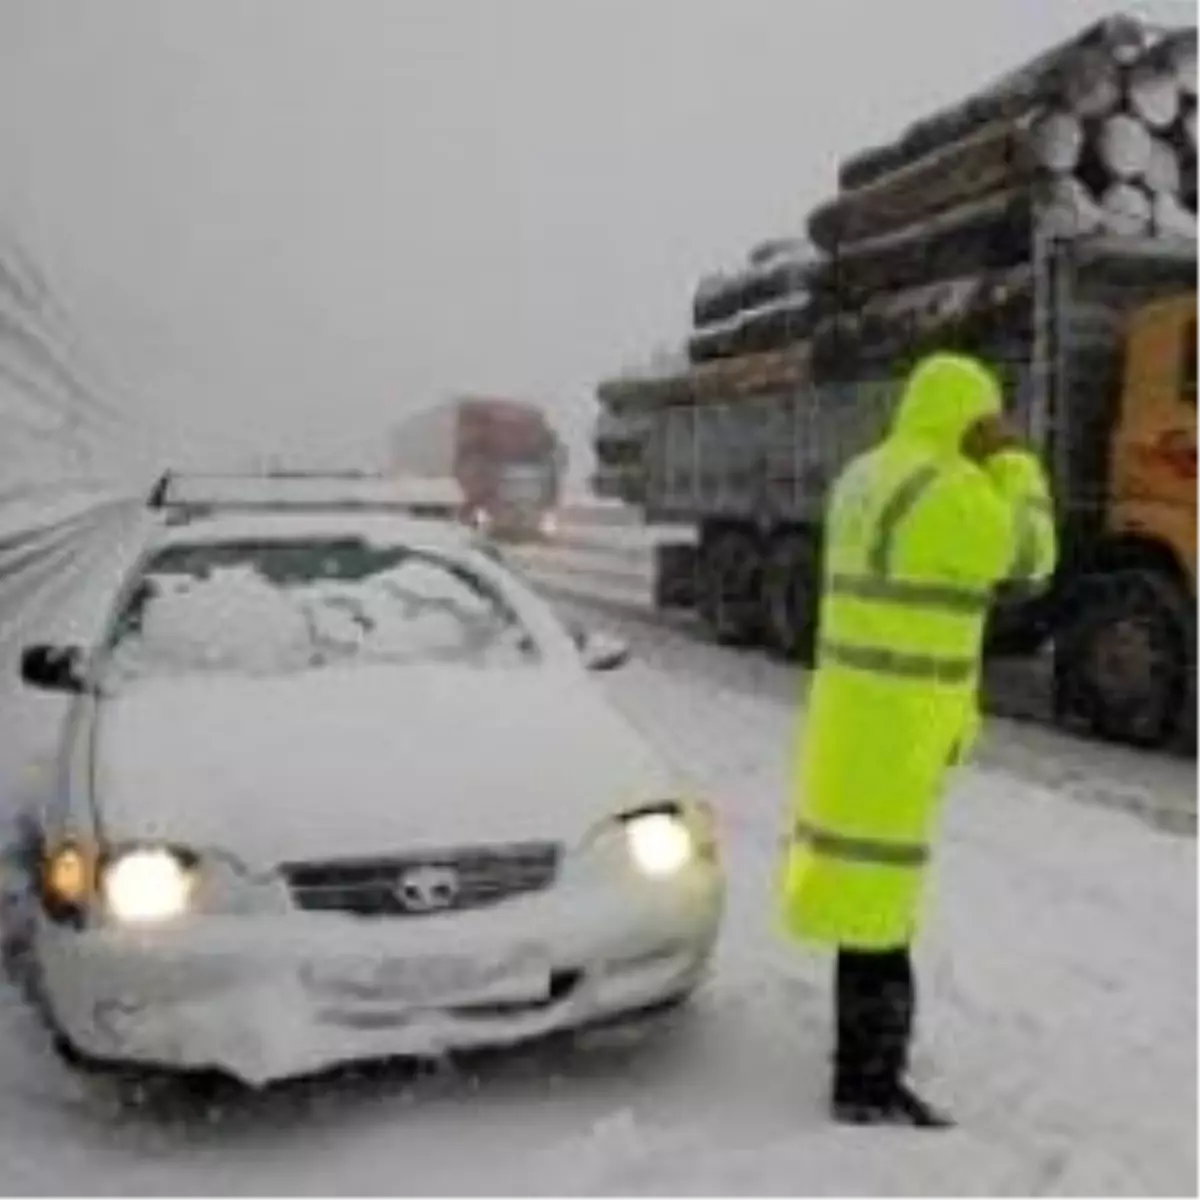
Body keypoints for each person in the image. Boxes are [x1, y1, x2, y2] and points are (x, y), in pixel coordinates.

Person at [779, 352, 1058, 1128]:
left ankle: (862, 1071)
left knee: (863, 896)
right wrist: (1016, 463)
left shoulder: (865, 474)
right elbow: (1035, 555)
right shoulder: (954, 489)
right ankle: (867, 1087)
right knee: (882, 906)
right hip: (899, 731)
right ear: (969, 417)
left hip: (853, 721)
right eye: (988, 421)